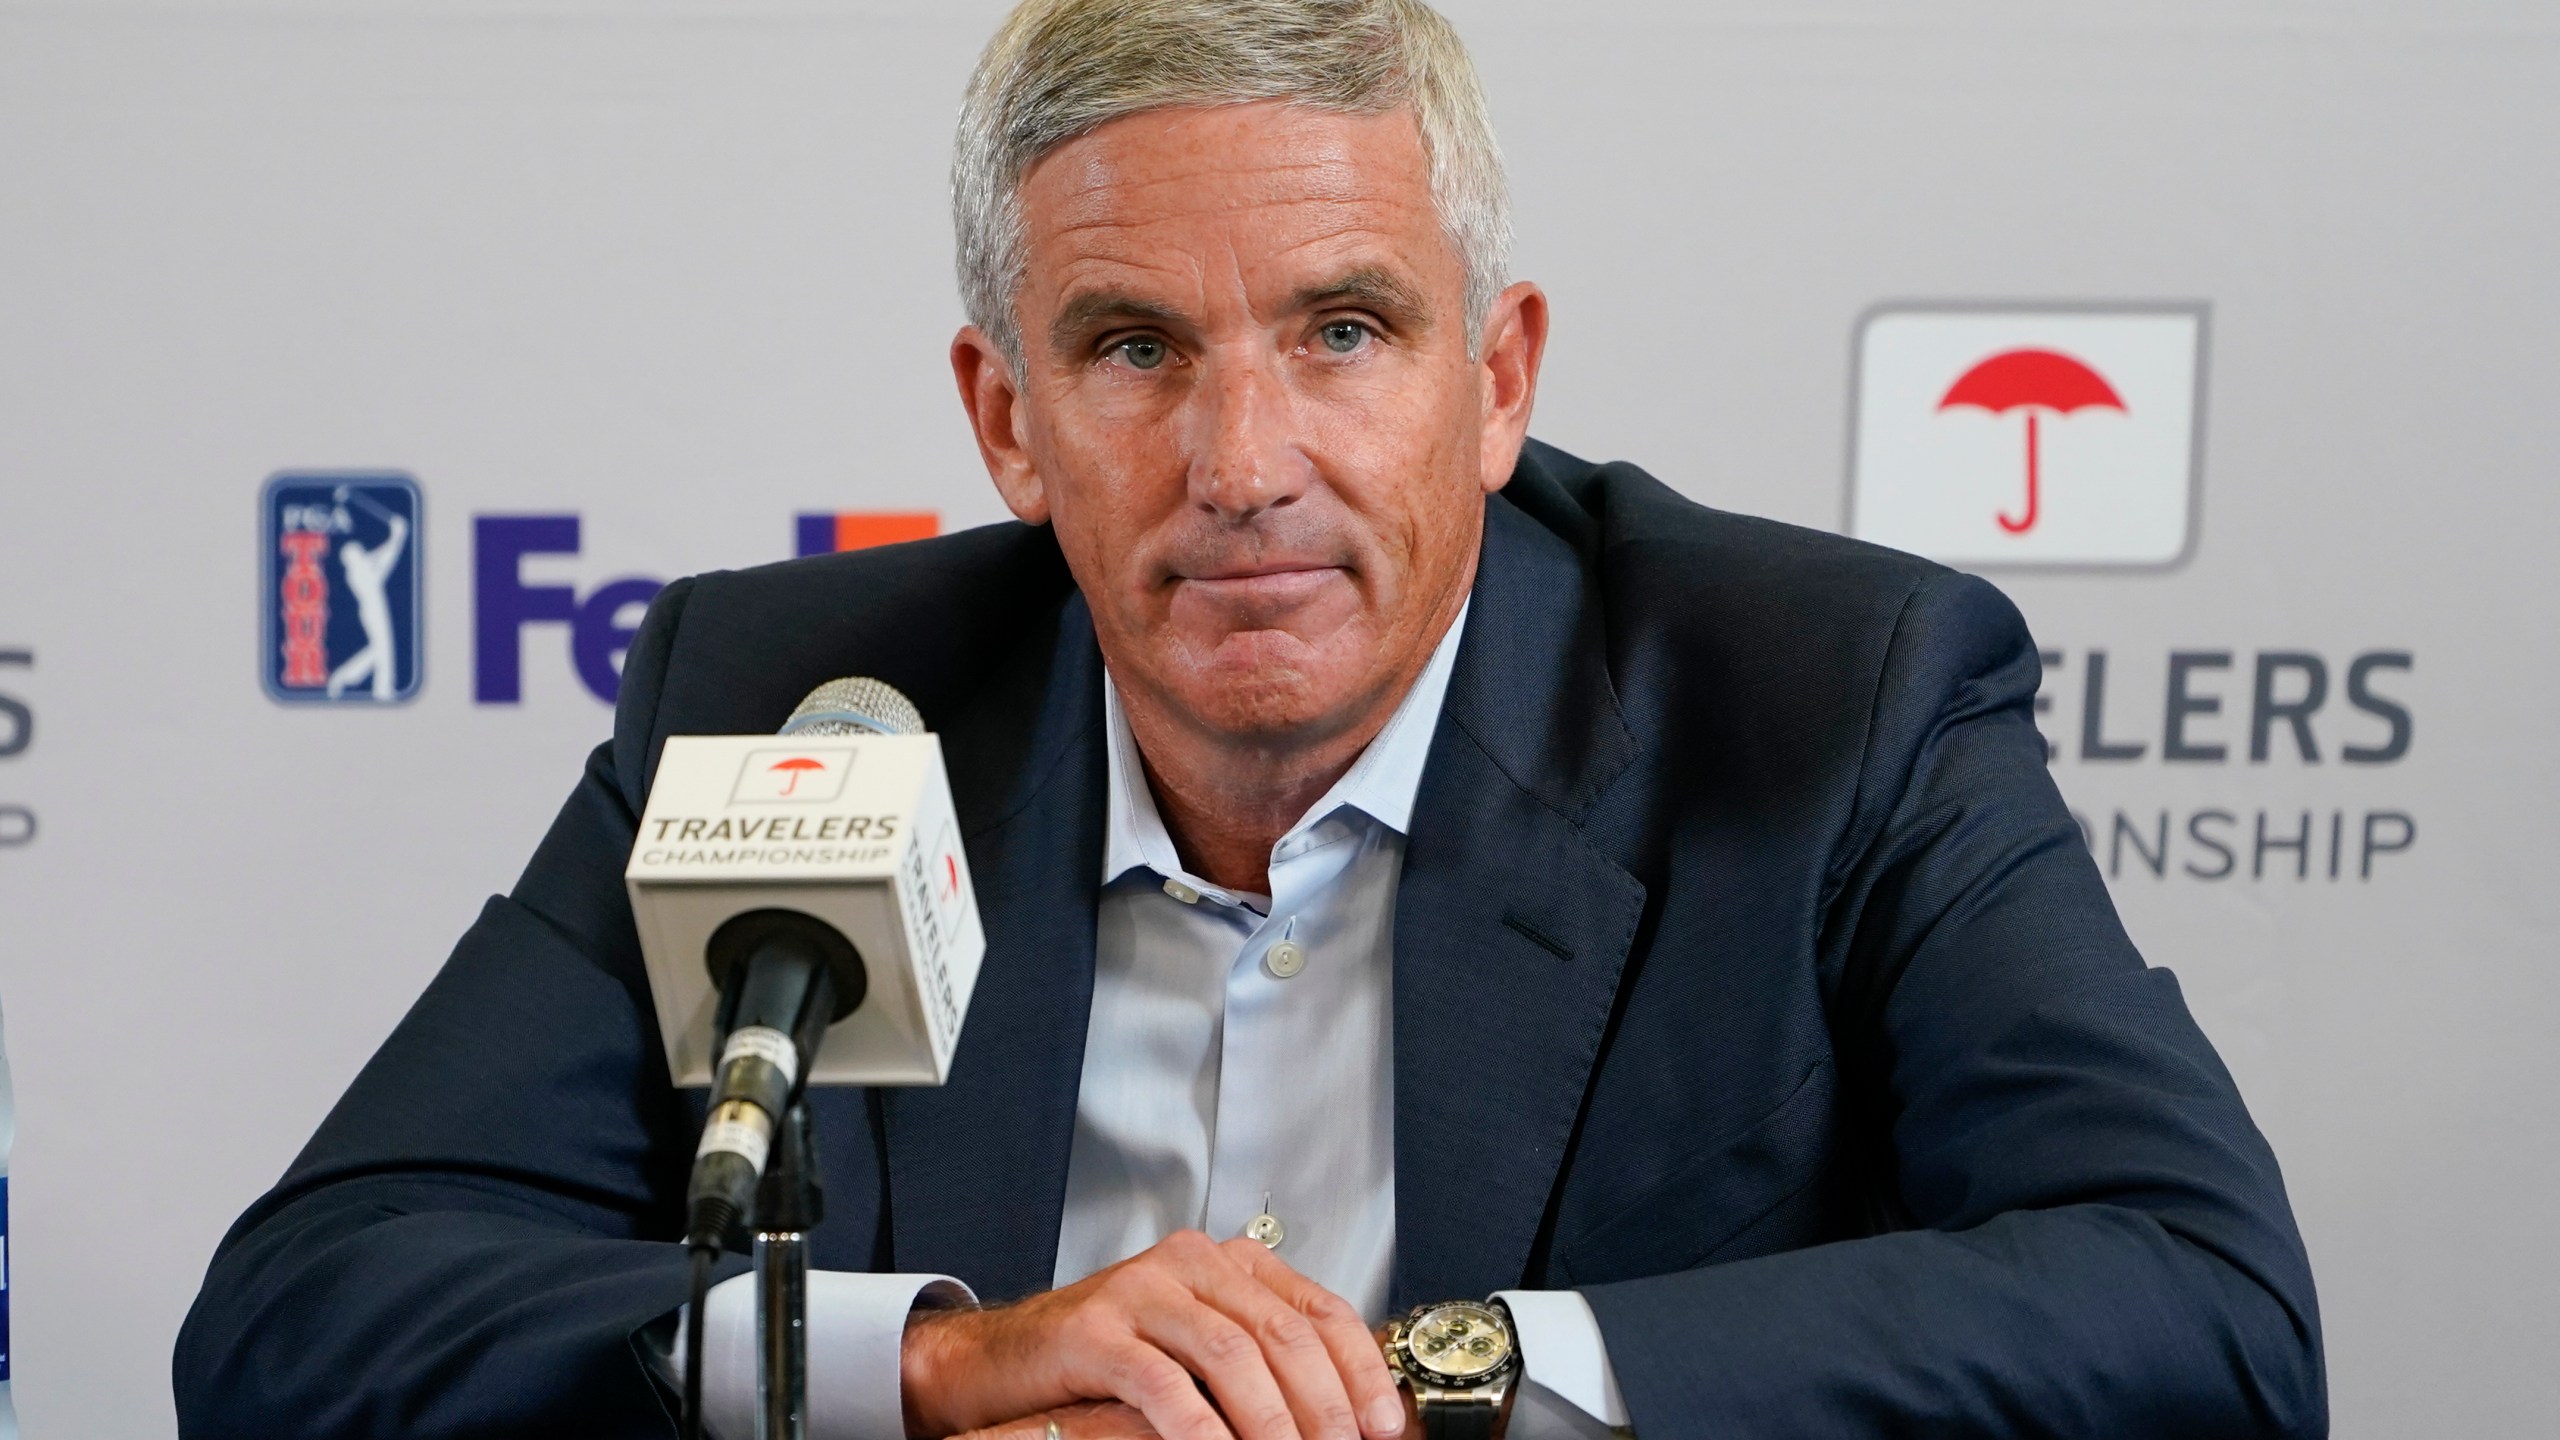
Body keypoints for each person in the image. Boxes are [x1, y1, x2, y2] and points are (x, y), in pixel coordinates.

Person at [173, 2, 2324, 1437]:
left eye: (1344, 329)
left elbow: (2200, 1307)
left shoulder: (1823, 703)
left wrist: (1426, 1386)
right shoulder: (787, 707)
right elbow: (305, 1315)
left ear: (1495, 382)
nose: (1240, 460)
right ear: (1003, 419)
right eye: (1128, 349)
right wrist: (943, 1368)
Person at [323, 489, 409, 702]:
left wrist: (397, 536)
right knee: (384, 649)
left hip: (375, 608)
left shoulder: (364, 568)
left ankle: (360, 682)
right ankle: (364, 684)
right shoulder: (358, 573)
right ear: (351, 559)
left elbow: (382, 557)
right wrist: (397, 536)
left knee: (380, 649)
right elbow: (384, 558)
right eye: (357, 552)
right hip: (372, 610)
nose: (361, 551)